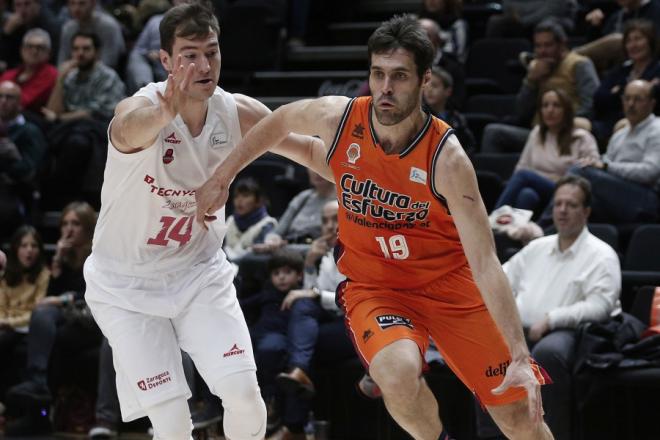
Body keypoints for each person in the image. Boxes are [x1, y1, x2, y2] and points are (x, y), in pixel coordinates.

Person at [197, 14, 554, 440]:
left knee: (519, 417)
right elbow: (279, 120)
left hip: (450, 285)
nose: (385, 87)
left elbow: (485, 260)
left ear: (424, 81)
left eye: (399, 76)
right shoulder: (342, 117)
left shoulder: (447, 159)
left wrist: (518, 352)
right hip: (377, 287)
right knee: (395, 372)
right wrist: (223, 176)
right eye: (378, 74)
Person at [82, 3, 316, 438]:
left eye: (212, 51)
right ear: (166, 60)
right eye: (190, 54)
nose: (204, 65)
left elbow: (307, 150)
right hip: (125, 286)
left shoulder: (237, 110)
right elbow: (125, 130)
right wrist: (162, 113)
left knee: (245, 395)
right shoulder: (142, 106)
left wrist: (366, 169)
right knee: (171, 422)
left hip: (197, 273)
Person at [500, 175, 621, 439]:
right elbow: (499, 279)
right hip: (520, 328)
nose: (563, 210)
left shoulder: (602, 254)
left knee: (548, 352)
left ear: (586, 211)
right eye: (558, 204)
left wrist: (553, 319)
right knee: (490, 347)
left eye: (571, 204)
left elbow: (601, 306)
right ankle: (495, 434)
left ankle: (554, 434)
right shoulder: (536, 248)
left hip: (571, 333)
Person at [6, 201, 99, 436]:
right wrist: (57, 261)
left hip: (93, 320)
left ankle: (39, 411)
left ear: (87, 227)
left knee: (53, 337)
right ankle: (38, 394)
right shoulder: (64, 259)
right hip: (68, 320)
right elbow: (46, 301)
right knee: (42, 318)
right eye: (65, 223)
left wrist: (61, 300)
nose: (68, 229)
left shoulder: (98, 254)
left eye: (75, 224)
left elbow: (92, 295)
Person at [273, 200, 355, 440]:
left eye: (334, 220)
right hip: (333, 320)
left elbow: (351, 299)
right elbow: (312, 296)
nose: (329, 226)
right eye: (324, 221)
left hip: (359, 325)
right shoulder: (327, 253)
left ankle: (294, 426)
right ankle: (299, 372)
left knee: (297, 347)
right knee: (302, 306)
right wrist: (309, 265)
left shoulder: (358, 250)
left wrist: (315, 294)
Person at [482, 19, 599, 154]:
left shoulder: (579, 65)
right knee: (493, 133)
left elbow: (590, 106)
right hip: (537, 133)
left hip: (567, 133)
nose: (542, 51)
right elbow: (521, 112)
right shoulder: (536, 69)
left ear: (562, 45)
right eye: (538, 46)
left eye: (548, 45)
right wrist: (531, 80)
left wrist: (562, 124)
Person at [41, 30, 125, 207]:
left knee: (78, 140)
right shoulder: (70, 77)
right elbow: (52, 111)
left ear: (97, 52)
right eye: (76, 49)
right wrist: (60, 79)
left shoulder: (107, 76)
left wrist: (58, 117)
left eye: (86, 48)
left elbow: (90, 113)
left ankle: (62, 196)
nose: (80, 53)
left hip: (101, 130)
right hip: (70, 129)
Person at [495, 87, 599, 216]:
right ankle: (519, 233)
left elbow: (592, 170)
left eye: (556, 105)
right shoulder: (537, 133)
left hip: (566, 191)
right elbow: (523, 165)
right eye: (545, 105)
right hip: (538, 190)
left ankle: (493, 219)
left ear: (566, 110)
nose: (550, 110)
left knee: (523, 175)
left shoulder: (582, 137)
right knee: (527, 195)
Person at [568, 79, 660, 223]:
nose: (631, 104)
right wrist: (594, 163)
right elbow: (605, 162)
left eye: (637, 99)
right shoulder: (620, 134)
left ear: (652, 103)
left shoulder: (657, 130)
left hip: (645, 198)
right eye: (627, 98)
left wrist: (606, 166)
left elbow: (650, 172)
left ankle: (542, 228)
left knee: (579, 172)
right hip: (618, 194)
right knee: (582, 195)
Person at [239, 249, 304, 437]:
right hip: (258, 332)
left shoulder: (299, 296)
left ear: (299, 275)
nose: (281, 278)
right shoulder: (268, 292)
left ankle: (270, 402)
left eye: (287, 272)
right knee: (234, 347)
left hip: (279, 336)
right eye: (276, 274)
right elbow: (245, 304)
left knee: (270, 349)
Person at [0, 225, 50, 399]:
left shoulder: (43, 274)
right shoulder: (5, 273)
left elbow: (38, 310)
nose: (29, 251)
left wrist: (10, 323)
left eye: (34, 246)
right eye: (24, 246)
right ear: (15, 249)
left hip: (25, 326)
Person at [591, 19, 660, 144]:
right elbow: (599, 98)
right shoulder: (621, 70)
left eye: (638, 39)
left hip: (648, 122)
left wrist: (618, 91)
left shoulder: (657, 69)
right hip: (611, 120)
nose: (633, 45)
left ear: (650, 41)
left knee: (622, 126)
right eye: (629, 41)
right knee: (580, 124)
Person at [0, 80, 48, 238]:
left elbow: (31, 170)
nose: (3, 101)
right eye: (0, 96)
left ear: (20, 103)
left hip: (17, 192)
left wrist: (12, 158)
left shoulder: (30, 131)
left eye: (9, 97)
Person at [252, 169, 335, 253]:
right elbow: (277, 232)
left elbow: (328, 246)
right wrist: (272, 240)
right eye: (312, 167)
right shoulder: (303, 197)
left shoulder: (342, 201)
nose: (317, 172)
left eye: (321, 166)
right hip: (285, 251)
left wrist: (282, 248)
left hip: (317, 257)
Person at [0, 28, 58, 114]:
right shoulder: (9, 74)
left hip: (32, 119)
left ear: (48, 53)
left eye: (40, 48)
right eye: (29, 46)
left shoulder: (51, 74)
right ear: (21, 50)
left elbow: (24, 101)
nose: (34, 51)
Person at [57, 0, 125, 69]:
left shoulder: (109, 26)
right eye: (72, 3)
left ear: (93, 4)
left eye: (82, 3)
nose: (76, 8)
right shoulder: (68, 28)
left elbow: (110, 62)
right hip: (76, 73)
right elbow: (62, 62)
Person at [422, 66, 476, 155]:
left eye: (434, 86)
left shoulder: (457, 118)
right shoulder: (420, 116)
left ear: (448, 91)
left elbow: (469, 145)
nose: (429, 90)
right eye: (427, 85)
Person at [223, 177, 278, 262]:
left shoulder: (268, 224)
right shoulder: (230, 221)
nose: (239, 200)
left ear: (258, 200)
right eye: (236, 196)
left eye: (245, 195)